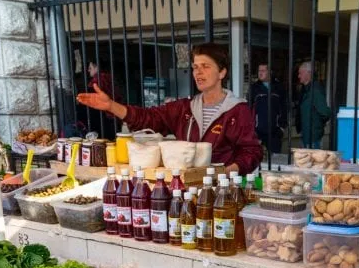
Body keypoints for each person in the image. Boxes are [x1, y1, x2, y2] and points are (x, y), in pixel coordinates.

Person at [78, 43, 263, 174]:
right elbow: (148, 117)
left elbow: (252, 152)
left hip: (223, 193)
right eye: (195, 67)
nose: (198, 72)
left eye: (205, 66)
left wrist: (223, 173)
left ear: (222, 72)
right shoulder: (184, 108)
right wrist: (111, 106)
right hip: (185, 191)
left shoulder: (238, 110)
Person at [249, 63, 287, 156]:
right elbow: (249, 110)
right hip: (258, 132)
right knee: (257, 161)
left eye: (263, 71)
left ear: (269, 72)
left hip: (275, 132)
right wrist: (252, 131)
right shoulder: (254, 88)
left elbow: (285, 108)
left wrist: (282, 128)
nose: (260, 73)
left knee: (275, 162)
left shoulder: (279, 88)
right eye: (259, 71)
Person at [296, 61, 331, 149]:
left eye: (300, 73)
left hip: (312, 137)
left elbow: (325, 113)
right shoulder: (305, 90)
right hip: (305, 135)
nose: (298, 76)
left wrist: (317, 127)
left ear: (308, 73)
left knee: (313, 161)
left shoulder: (315, 90)